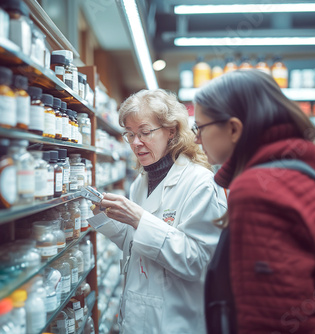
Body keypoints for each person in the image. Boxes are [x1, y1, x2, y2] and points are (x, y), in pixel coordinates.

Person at [194, 70, 315, 334]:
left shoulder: (257, 190)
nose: (196, 138)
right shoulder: (297, 171)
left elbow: (274, 320)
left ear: (233, 128)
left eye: (200, 127)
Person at [89, 89, 227, 334]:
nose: (135, 143)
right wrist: (107, 217)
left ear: (170, 131)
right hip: (138, 316)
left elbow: (198, 261)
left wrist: (140, 219)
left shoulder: (200, 183)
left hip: (176, 320)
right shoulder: (140, 183)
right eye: (129, 134)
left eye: (144, 132)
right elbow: (138, 245)